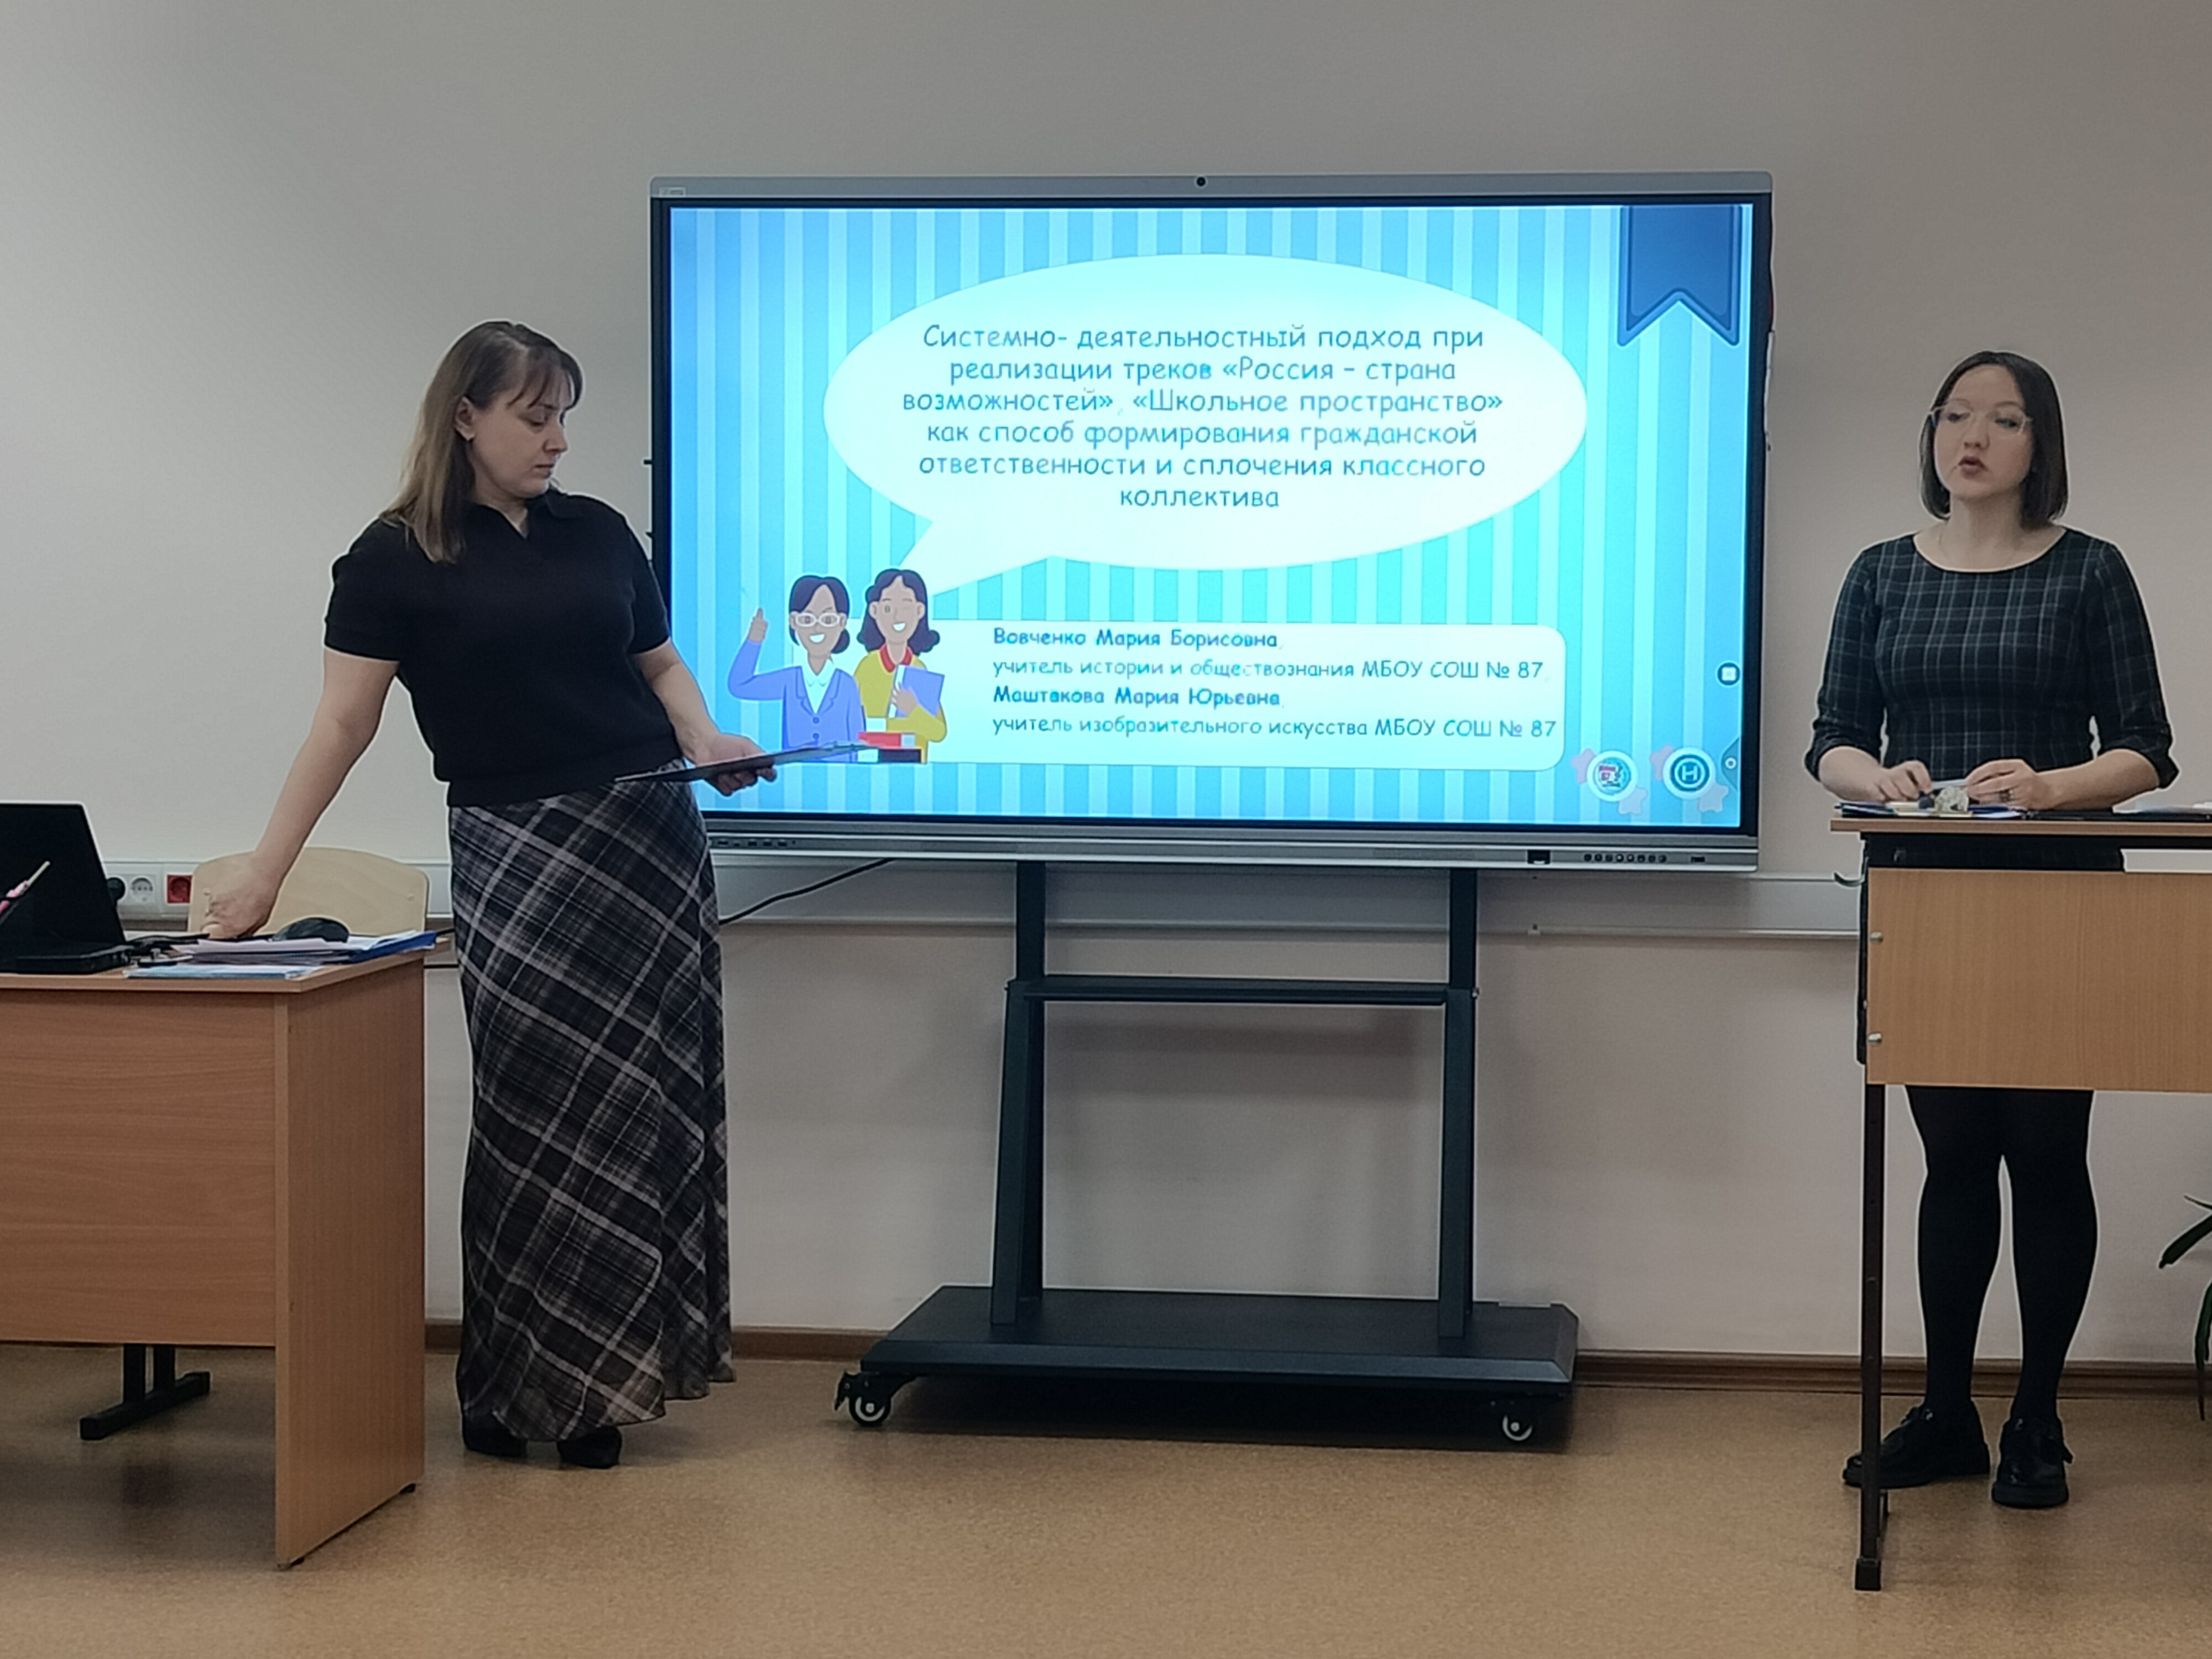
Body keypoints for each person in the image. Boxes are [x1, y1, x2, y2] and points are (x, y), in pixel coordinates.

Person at [205, 321, 771, 1469]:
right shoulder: (391, 559)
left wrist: (706, 738)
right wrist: (266, 869)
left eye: (564, 417)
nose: (556, 440)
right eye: (534, 416)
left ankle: (613, 1386)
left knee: (648, 1108)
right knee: (537, 1122)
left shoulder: (598, 531)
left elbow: (657, 665)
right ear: (465, 416)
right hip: (520, 853)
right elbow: (342, 724)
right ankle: (521, 1388)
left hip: (648, 844)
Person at [1807, 349, 2177, 1508]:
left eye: (2004, 419)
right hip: (1925, 894)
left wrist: (2052, 787)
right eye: (1955, 415)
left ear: (2039, 445)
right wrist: (1880, 778)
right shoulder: (1879, 573)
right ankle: (1945, 1412)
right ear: (1931, 436)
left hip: (2056, 894)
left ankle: (2036, 1421)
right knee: (1952, 1158)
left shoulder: (2088, 570)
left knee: (2046, 1156)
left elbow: (2146, 748)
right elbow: (1831, 738)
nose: (1973, 436)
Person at [727, 575, 864, 755]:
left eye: (827, 620)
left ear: (842, 622)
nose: (817, 628)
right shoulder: (789, 681)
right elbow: (740, 685)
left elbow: (857, 743)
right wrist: (754, 640)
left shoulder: (847, 684)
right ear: (793, 622)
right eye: (807, 620)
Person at [855, 567, 948, 759]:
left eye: (906, 608)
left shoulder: (918, 669)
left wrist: (914, 710)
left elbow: (939, 732)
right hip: (872, 762)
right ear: (874, 611)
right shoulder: (867, 667)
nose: (897, 617)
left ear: (919, 611)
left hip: (914, 764)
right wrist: (897, 726)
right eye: (888, 608)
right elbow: (852, 724)